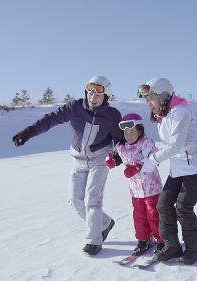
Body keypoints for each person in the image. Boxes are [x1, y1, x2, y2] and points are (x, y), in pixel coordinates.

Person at [12, 76, 123, 255]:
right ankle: (104, 223)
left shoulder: (112, 115)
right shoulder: (75, 107)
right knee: (76, 200)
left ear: (106, 96)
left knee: (93, 199)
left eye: (98, 92)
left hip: (100, 159)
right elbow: (51, 119)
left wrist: (118, 156)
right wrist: (29, 132)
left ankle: (94, 240)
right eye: (90, 91)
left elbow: (120, 139)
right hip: (78, 160)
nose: (92, 96)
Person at [137, 78, 197, 265]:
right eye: (147, 99)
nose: (149, 103)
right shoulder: (164, 115)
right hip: (180, 166)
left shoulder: (180, 113)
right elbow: (171, 146)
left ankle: (193, 250)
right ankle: (171, 246)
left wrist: (152, 161)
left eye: (151, 98)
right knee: (163, 205)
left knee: (183, 207)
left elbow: (175, 145)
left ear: (163, 96)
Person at [106, 113, 164, 255]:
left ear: (140, 131)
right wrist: (112, 161)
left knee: (153, 214)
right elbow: (117, 158)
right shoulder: (121, 147)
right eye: (126, 132)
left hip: (152, 188)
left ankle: (161, 241)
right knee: (139, 215)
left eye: (132, 131)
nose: (129, 135)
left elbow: (157, 157)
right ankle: (143, 240)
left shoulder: (146, 143)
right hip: (136, 190)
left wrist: (138, 166)